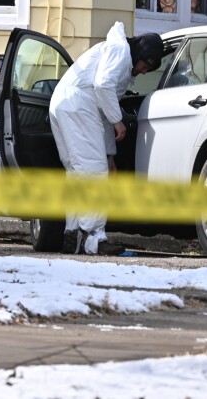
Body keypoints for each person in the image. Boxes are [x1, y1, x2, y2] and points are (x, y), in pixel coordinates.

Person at [49, 22, 163, 255]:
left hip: (63, 103)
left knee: (77, 172)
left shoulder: (113, 51)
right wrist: (118, 120)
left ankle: (72, 233)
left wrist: (109, 154)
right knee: (93, 173)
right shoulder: (120, 51)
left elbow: (101, 110)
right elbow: (102, 87)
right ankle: (95, 238)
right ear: (140, 53)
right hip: (79, 105)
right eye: (146, 63)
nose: (143, 70)